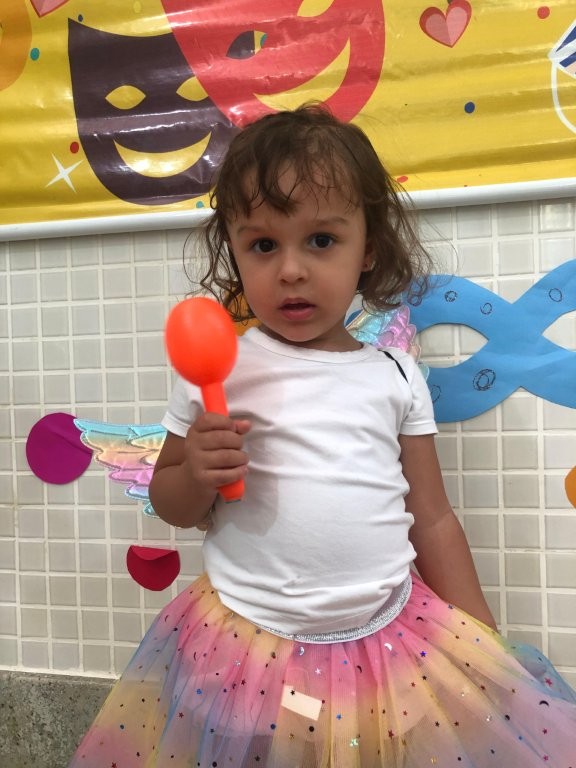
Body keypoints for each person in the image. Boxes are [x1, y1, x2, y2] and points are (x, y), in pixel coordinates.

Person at [68, 105, 576, 767]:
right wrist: (194, 474)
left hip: (387, 642)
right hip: (245, 645)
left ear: (368, 249)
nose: (291, 270)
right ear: (234, 251)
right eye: (263, 245)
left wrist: (482, 639)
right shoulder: (217, 371)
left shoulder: (395, 374)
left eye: (321, 240)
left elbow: (432, 517)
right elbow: (172, 504)